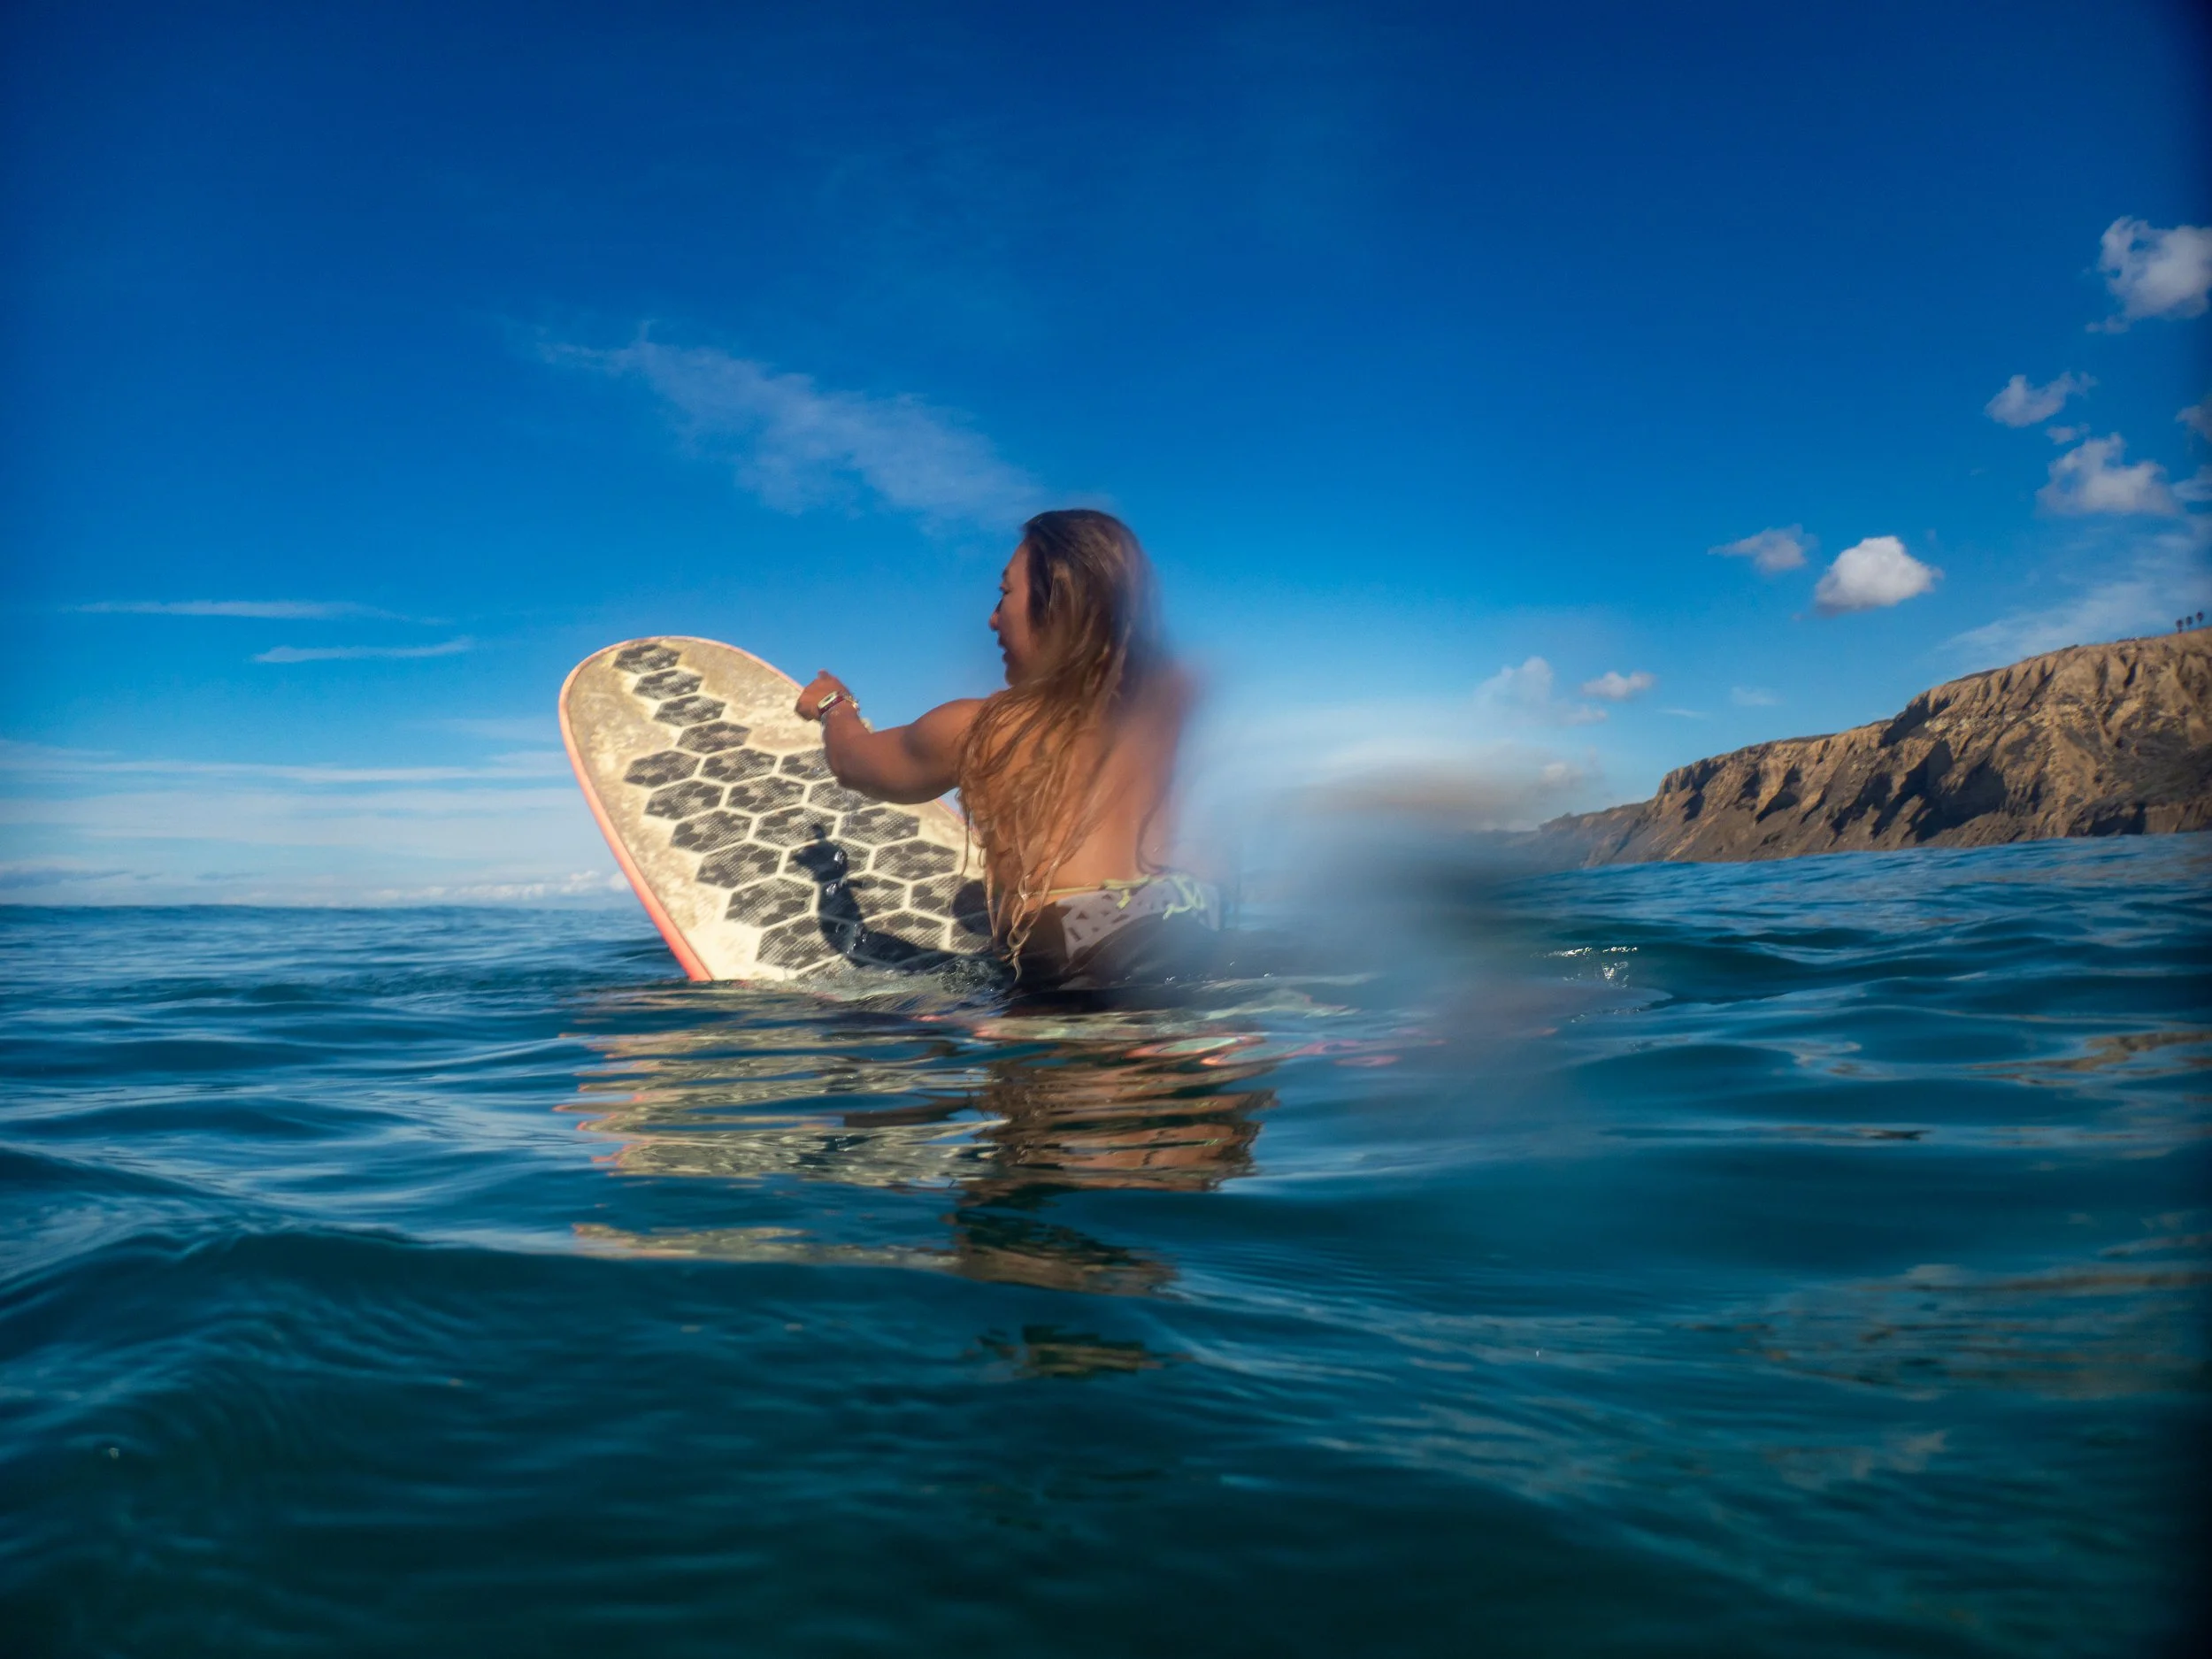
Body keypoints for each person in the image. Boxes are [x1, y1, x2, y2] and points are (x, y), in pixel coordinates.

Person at [794, 509, 1217, 995]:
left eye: (1004, 594)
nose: (993, 619)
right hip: (1200, 923)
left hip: (1080, 948)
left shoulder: (982, 727)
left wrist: (833, 705)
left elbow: (855, 763)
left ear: (1056, 605)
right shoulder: (1174, 710)